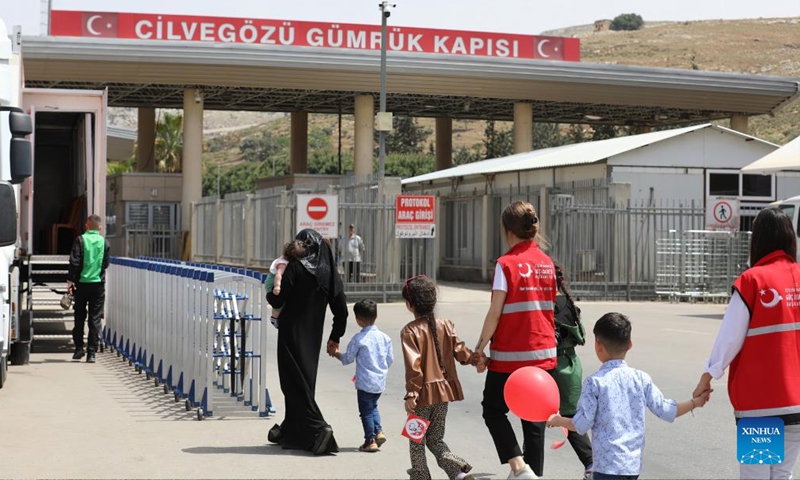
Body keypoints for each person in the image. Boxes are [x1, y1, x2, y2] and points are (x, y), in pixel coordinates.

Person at [694, 207, 800, 480]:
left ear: (758, 241)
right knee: (782, 475)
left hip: (762, 404)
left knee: (757, 476)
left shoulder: (753, 281)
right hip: (797, 405)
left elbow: (729, 337)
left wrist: (707, 377)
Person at [548, 312, 711, 480]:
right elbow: (666, 409)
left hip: (606, 467)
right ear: (630, 344)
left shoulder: (595, 382)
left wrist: (557, 420)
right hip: (632, 467)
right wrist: (695, 402)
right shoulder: (641, 378)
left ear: (598, 345)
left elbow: (581, 424)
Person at [473, 200, 557, 479]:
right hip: (544, 355)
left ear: (507, 229)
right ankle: (534, 475)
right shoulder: (547, 263)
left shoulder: (506, 264)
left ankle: (520, 468)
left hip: (510, 357)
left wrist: (480, 347)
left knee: (493, 410)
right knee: (534, 422)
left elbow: (495, 312)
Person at [266, 229, 348, 455]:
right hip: (313, 338)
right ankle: (292, 431)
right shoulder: (329, 273)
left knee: (293, 384)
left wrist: (271, 289)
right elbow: (341, 311)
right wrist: (335, 337)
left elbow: (277, 298)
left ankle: (319, 428)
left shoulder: (295, 267)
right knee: (303, 383)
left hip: (291, 335)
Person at [401, 275, 481, 480]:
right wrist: (476, 359)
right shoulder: (446, 324)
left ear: (410, 305)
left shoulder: (410, 331)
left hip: (422, 397)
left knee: (416, 439)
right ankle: (457, 473)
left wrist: (411, 394)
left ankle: (420, 476)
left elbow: (414, 366)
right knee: (435, 439)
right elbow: (461, 351)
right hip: (443, 395)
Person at [331, 299, 393, 453]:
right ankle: (379, 432)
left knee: (365, 411)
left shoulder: (359, 339)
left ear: (358, 320)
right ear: (376, 315)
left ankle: (370, 440)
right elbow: (390, 359)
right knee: (373, 407)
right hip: (379, 381)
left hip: (365, 382)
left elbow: (347, 359)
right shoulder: (385, 338)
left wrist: (335, 353)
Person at [551, 263, 593, 480]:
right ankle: (591, 464)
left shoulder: (545, 305)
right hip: (572, 365)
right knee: (572, 416)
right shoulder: (569, 303)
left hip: (551, 365)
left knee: (535, 421)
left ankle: (523, 467)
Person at [67, 214, 110, 364]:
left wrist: (71, 280)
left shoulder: (80, 240)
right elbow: (105, 264)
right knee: (95, 319)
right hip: (98, 285)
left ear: (86, 225)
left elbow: (74, 261)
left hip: (81, 284)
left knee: (79, 317)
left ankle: (79, 348)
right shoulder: (104, 242)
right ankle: (91, 353)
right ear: (99, 227)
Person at [265, 239, 308, 329]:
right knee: (279, 304)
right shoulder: (282, 264)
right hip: (273, 281)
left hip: (273, 280)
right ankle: (274, 318)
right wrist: (277, 286)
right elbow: (278, 275)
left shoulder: (284, 257)